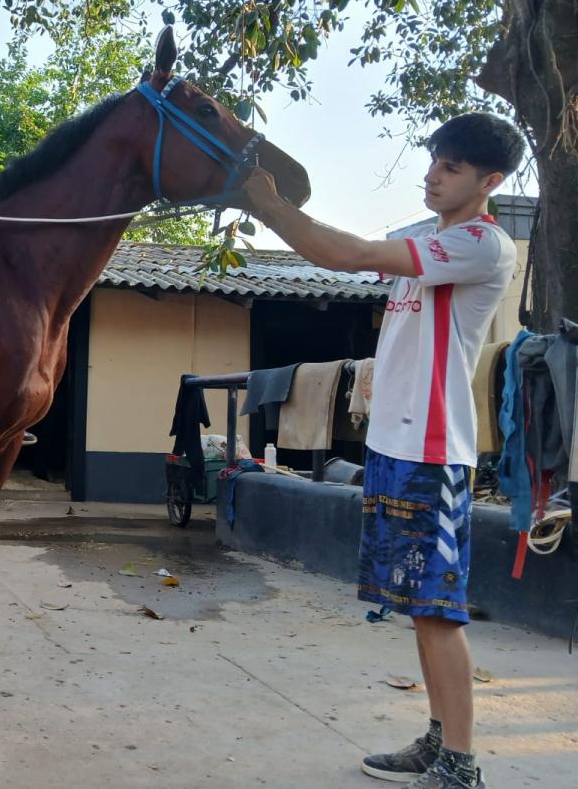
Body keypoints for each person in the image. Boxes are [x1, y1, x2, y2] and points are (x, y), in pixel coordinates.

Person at [244, 112, 524, 789]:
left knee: (438, 609)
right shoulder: (429, 239)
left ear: (491, 181)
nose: (432, 175)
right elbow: (346, 246)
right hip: (397, 444)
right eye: (432, 161)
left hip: (432, 452)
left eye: (451, 167)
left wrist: (270, 204)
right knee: (418, 610)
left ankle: (461, 764)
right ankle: (436, 741)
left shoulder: (482, 245)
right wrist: (285, 204)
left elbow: (347, 254)